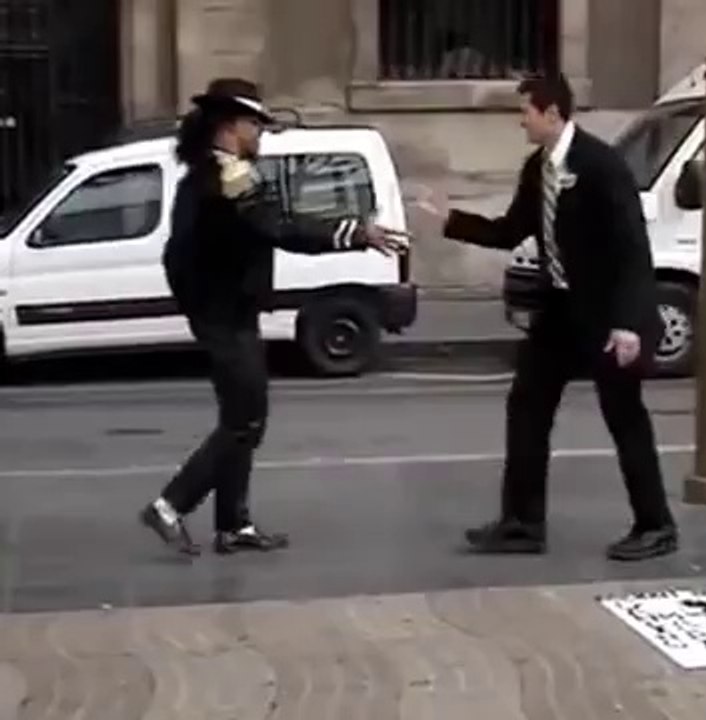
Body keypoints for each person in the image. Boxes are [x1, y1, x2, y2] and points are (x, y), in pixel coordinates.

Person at [139, 78, 407, 556]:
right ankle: (170, 505)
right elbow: (282, 228)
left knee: (243, 420)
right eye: (253, 124)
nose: (259, 132)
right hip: (228, 318)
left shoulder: (210, 175)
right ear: (228, 127)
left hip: (229, 313)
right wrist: (354, 233)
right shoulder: (226, 179)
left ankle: (233, 525)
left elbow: (182, 256)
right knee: (245, 421)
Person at [443, 74, 677, 561]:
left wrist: (629, 323)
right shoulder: (539, 168)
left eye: (525, 111)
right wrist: (451, 221)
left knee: (624, 416)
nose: (520, 120)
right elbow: (512, 230)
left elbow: (632, 248)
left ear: (552, 113)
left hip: (608, 313)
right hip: (561, 311)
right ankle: (523, 523)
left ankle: (655, 525)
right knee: (526, 405)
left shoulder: (601, 165)